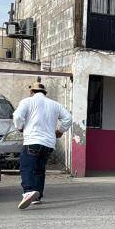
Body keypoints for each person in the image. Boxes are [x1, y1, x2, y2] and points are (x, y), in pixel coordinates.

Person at [12, 81, 72, 209]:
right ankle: (37, 197)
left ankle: (28, 192)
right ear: (45, 93)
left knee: (26, 167)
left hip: (32, 141)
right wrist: (60, 131)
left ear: (32, 92)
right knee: (39, 169)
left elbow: (17, 116)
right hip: (48, 144)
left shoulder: (27, 101)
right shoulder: (55, 104)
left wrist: (20, 127)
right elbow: (68, 118)